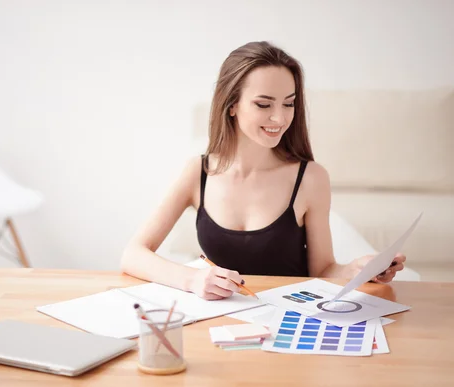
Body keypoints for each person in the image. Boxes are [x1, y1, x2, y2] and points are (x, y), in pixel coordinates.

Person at [120, 41, 406, 300]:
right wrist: (193, 279)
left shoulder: (311, 178)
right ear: (231, 105)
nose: (279, 118)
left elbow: (323, 270)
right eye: (263, 104)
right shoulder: (198, 171)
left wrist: (357, 269)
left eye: (289, 104)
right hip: (220, 322)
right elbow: (133, 254)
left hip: (288, 318)